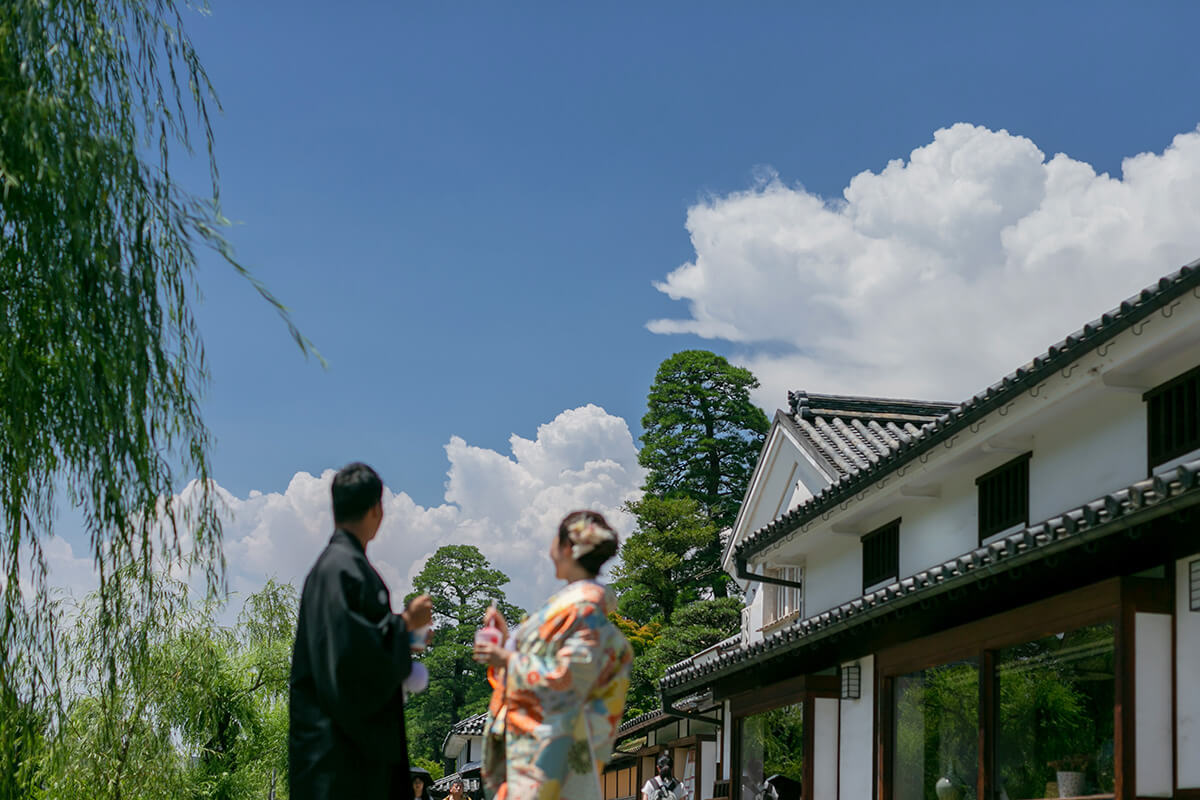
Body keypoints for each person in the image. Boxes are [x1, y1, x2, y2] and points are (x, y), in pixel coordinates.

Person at [289, 462, 435, 800]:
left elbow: (355, 642)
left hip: (342, 755)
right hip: (341, 759)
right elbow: (349, 656)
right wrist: (403, 625)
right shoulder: (342, 569)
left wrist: (402, 640)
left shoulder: (341, 568)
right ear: (377, 509)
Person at [473, 510, 633, 800]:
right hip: (539, 747)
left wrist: (507, 659)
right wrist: (508, 643)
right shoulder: (574, 606)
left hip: (550, 757)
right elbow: (547, 661)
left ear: (567, 548)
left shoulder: (584, 609)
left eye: (553, 542)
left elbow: (567, 679)